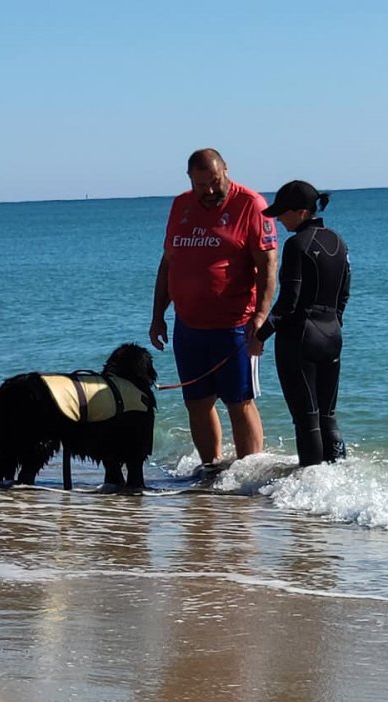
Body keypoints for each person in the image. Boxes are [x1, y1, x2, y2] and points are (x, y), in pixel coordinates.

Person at [149, 148, 278, 466]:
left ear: (226, 171)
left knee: (240, 402)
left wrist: (261, 317)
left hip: (235, 326)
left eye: (214, 182)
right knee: (197, 402)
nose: (208, 191)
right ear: (189, 179)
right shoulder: (181, 205)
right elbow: (169, 263)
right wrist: (157, 316)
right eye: (200, 184)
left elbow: (269, 266)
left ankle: (248, 476)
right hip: (188, 326)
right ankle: (211, 471)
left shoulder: (251, 205)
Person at [253, 180, 351, 467]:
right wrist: (333, 325)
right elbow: (344, 294)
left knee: (306, 418)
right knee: (327, 414)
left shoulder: (297, 245)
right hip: (332, 335)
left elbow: (288, 302)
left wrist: (261, 334)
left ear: (302, 212)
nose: (279, 219)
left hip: (300, 340)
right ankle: (335, 481)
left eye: (283, 213)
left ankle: (309, 490)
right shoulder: (338, 241)